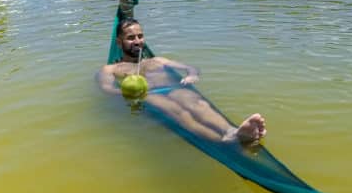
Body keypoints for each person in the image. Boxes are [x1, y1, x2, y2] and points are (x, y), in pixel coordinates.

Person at [97, 19, 267, 144]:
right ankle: (222, 139)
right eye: (131, 37)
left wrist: (192, 75)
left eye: (140, 36)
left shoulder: (158, 60)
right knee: (177, 110)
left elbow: (190, 68)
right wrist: (129, 92)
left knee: (197, 103)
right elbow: (106, 89)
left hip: (172, 89)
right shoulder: (111, 69)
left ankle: (233, 131)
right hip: (147, 94)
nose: (137, 41)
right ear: (119, 42)